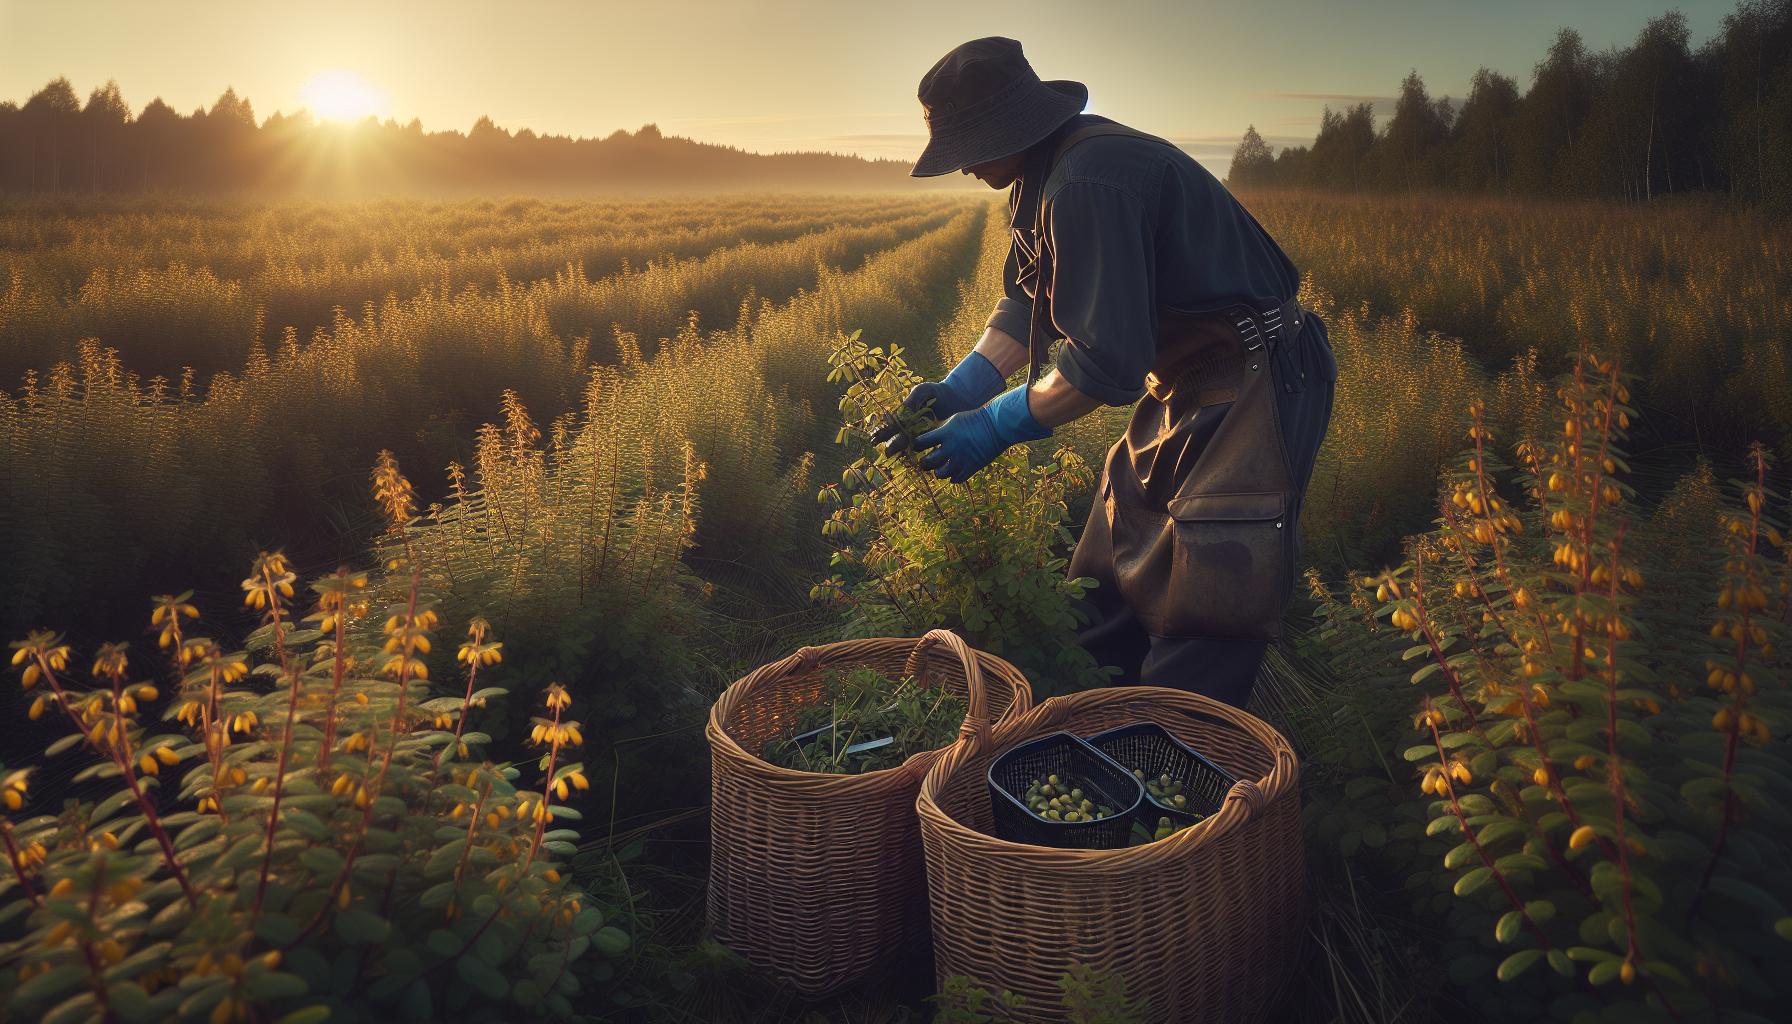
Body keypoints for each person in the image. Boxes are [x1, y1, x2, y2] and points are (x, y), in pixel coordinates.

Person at [878, 36, 1337, 708]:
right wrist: (965, 383)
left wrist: (993, 424)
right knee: (1107, 574)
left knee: (1211, 592)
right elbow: (1026, 301)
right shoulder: (1043, 175)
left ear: (1009, 127)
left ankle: (1180, 765)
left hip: (1257, 377)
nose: (964, 167)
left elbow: (1105, 364)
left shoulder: (1088, 180)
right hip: (1186, 382)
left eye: (967, 148)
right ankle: (1098, 726)